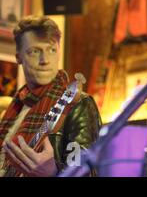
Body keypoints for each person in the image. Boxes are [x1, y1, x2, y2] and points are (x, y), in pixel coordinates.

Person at [0, 15, 101, 177]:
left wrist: (53, 172)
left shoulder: (77, 103)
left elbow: (87, 173)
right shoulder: (16, 104)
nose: (45, 60)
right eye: (34, 51)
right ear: (18, 57)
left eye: (52, 50)